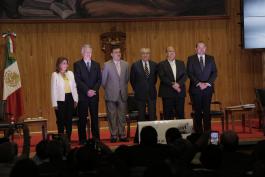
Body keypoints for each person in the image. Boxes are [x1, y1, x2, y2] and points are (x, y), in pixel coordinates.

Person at [187, 41, 217, 133]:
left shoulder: (211, 58)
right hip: (196, 89)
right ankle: (198, 132)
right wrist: (199, 83)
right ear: (195, 49)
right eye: (199, 47)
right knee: (197, 111)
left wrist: (207, 83)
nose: (201, 49)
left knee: (207, 111)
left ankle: (208, 131)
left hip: (208, 89)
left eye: (203, 47)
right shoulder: (191, 59)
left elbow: (214, 72)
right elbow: (190, 73)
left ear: (205, 48)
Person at [74, 44, 101, 144]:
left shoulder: (96, 64)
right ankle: (82, 139)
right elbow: (78, 80)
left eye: (90, 52)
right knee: (82, 118)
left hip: (94, 96)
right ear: (82, 53)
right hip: (83, 96)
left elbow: (99, 80)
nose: (88, 54)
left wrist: (93, 90)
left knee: (94, 118)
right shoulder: (77, 65)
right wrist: (87, 91)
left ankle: (96, 139)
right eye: (86, 52)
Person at [102, 46, 130, 143]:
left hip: (122, 94)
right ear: (111, 54)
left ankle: (122, 134)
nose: (118, 53)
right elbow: (103, 81)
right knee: (112, 116)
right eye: (116, 52)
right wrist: (111, 89)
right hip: (111, 94)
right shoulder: (107, 65)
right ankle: (113, 135)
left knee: (122, 116)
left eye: (119, 52)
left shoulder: (126, 64)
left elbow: (126, 79)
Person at [51, 57, 78, 141]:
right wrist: (54, 104)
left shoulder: (70, 73)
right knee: (61, 121)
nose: (66, 65)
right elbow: (53, 90)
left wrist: (76, 99)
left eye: (66, 63)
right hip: (60, 101)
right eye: (64, 63)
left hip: (70, 98)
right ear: (59, 64)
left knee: (69, 121)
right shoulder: (55, 74)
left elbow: (74, 87)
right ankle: (61, 140)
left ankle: (68, 140)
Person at [158, 46, 187, 120]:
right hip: (167, 93)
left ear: (175, 53)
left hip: (180, 93)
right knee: (168, 115)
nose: (171, 53)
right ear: (166, 53)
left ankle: (181, 132)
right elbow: (162, 77)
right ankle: (169, 131)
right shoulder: (161, 64)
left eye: (173, 51)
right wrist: (173, 84)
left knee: (180, 114)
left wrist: (178, 84)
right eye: (169, 51)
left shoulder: (181, 63)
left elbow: (185, 75)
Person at [130, 48, 157, 121]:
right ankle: (141, 132)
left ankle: (153, 132)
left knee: (152, 116)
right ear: (141, 55)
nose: (145, 55)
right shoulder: (135, 65)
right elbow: (132, 80)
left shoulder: (154, 65)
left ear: (149, 55)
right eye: (143, 53)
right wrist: (137, 89)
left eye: (147, 53)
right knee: (141, 117)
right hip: (140, 94)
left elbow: (155, 79)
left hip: (151, 93)